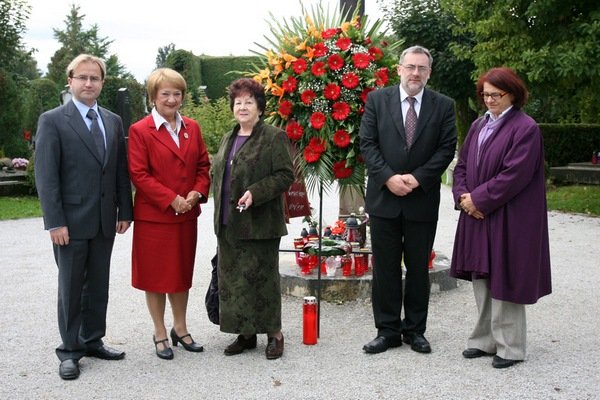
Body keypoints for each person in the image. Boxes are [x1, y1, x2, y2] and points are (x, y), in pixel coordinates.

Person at [34, 54, 133, 380]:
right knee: (72, 287)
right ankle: (69, 350)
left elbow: (119, 170)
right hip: (70, 223)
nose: (88, 83)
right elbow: (46, 176)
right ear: (70, 81)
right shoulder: (53, 120)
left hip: (105, 220)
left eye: (95, 78)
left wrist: (125, 210)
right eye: (82, 77)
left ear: (102, 82)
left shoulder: (112, 121)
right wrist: (55, 221)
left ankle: (92, 340)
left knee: (98, 286)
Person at [450, 67, 551, 369]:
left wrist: (478, 200)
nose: (490, 100)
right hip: (477, 214)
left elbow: (514, 175)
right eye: (485, 94)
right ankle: (484, 340)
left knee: (506, 276)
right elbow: (462, 166)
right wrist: (463, 197)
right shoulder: (478, 125)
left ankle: (510, 346)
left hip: (510, 215)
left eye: (496, 95)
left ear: (513, 94)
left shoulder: (525, 128)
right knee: (481, 274)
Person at [359, 45, 457, 355]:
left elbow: (446, 148)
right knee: (385, 269)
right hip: (384, 199)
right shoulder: (377, 100)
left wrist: (418, 178)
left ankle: (415, 331)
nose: (416, 73)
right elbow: (368, 143)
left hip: (421, 199)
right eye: (411, 67)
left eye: (422, 68)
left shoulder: (444, 105)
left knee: (418, 269)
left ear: (429, 72)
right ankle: (387, 331)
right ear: (399, 69)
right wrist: (388, 177)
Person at [128, 68, 211, 360]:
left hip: (186, 215)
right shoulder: (140, 130)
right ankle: (159, 331)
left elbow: (203, 166)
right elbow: (139, 174)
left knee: (180, 274)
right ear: (153, 96)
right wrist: (171, 199)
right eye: (165, 93)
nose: (172, 99)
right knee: (155, 277)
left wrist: (197, 192)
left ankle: (181, 327)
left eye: (177, 93)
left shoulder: (192, 127)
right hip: (156, 217)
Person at [211, 78, 294, 360]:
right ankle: (245, 334)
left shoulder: (273, 137)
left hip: (260, 223)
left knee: (263, 280)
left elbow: (285, 175)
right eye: (238, 102)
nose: (243, 107)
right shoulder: (228, 137)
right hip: (228, 222)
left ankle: (274, 334)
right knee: (234, 280)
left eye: (249, 102)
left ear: (260, 107)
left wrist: (255, 193)